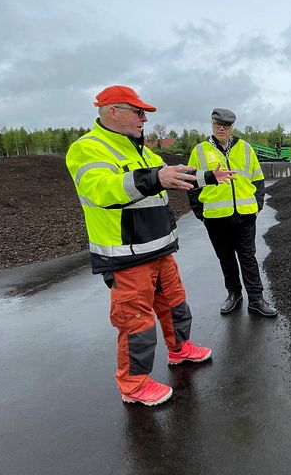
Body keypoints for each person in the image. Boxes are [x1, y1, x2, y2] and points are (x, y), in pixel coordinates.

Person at [66, 85, 235, 406]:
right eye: (138, 112)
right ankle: (133, 384)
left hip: (159, 248)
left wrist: (210, 177)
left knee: (175, 304)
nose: (144, 118)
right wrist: (155, 178)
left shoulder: (142, 150)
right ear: (113, 111)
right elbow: (102, 190)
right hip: (126, 254)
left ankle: (179, 349)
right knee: (135, 321)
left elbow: (174, 176)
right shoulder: (89, 148)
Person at [187, 108, 278, 317]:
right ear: (211, 124)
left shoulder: (245, 148)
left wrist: (258, 205)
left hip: (245, 215)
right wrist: (200, 212)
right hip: (215, 217)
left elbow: (257, 178)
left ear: (232, 127)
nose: (221, 128)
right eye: (218, 124)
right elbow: (191, 183)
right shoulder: (199, 151)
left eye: (226, 125)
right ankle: (234, 293)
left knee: (248, 257)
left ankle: (256, 299)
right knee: (225, 257)